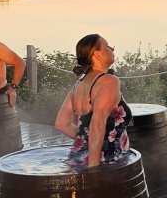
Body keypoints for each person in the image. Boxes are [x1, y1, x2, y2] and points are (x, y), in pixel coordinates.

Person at [55, 34, 132, 167]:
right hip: (107, 161)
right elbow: (98, 123)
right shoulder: (109, 81)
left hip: (77, 158)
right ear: (96, 54)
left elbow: (61, 124)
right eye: (107, 47)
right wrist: (93, 168)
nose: (112, 49)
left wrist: (84, 140)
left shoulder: (79, 84)